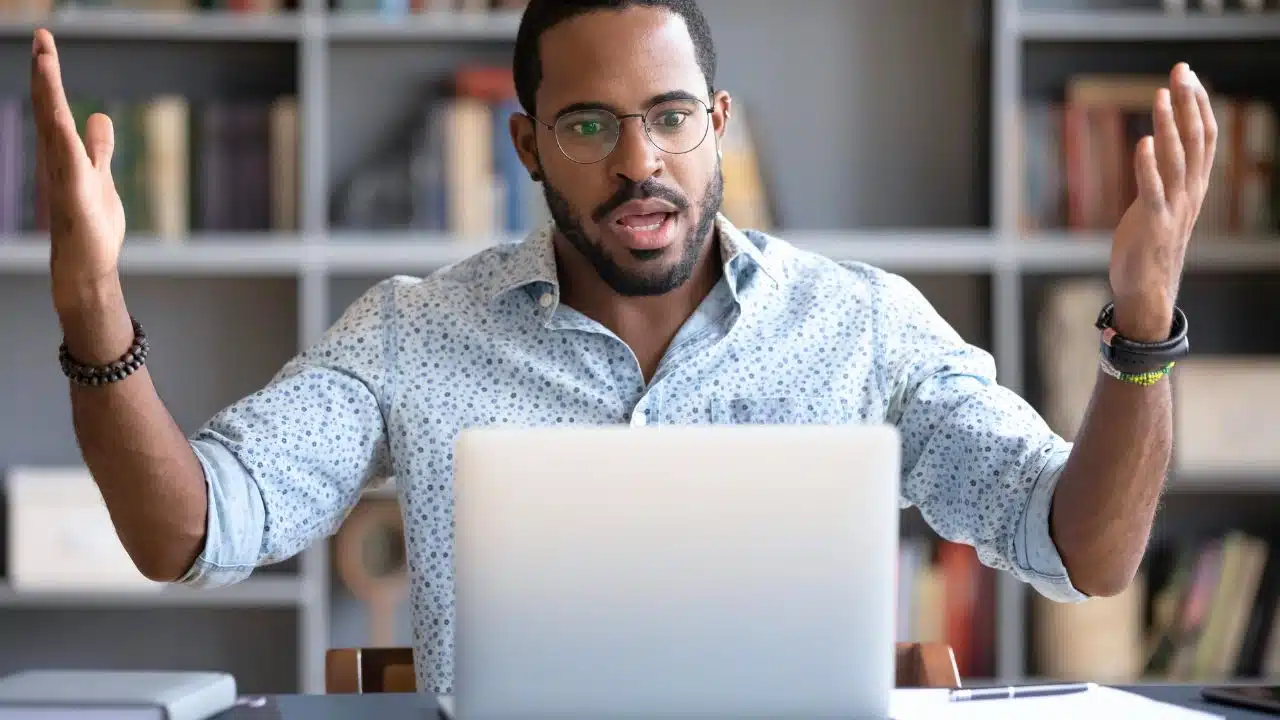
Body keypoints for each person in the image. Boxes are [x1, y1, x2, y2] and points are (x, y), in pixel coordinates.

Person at [30, 0, 1214, 695]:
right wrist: (93, 307)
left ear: (716, 127)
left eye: (668, 119)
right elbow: (191, 533)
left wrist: (1145, 329)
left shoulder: (862, 325)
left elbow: (1079, 552)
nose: (638, 162)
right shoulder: (411, 331)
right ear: (528, 144)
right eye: (589, 125)